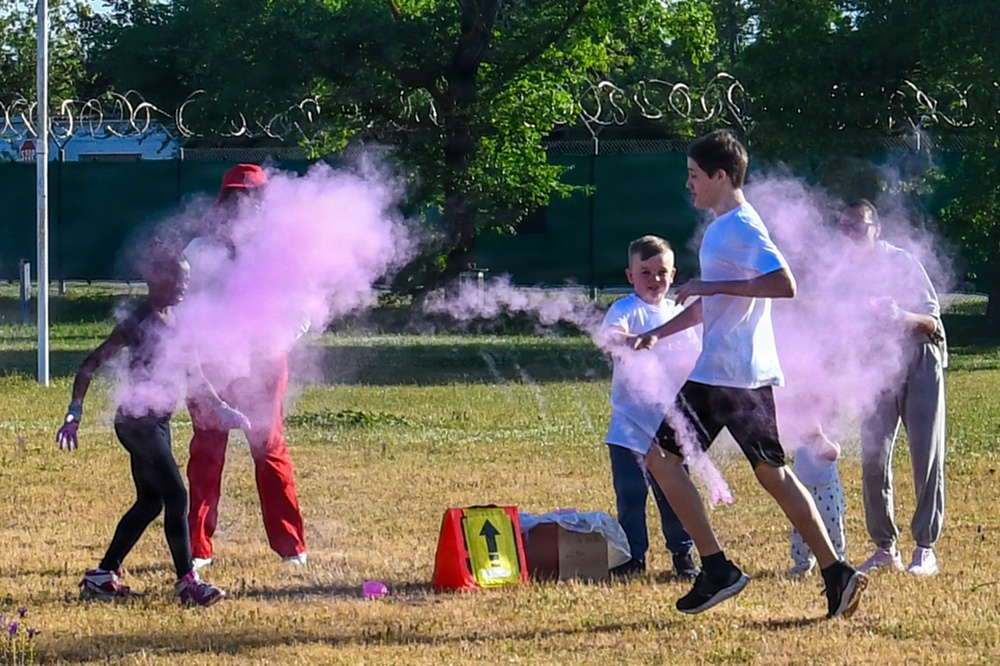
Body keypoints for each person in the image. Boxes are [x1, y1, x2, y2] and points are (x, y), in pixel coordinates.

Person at [633, 129, 867, 618]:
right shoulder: (726, 226)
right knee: (773, 474)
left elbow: (784, 283)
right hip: (740, 373)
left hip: (724, 373)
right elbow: (718, 304)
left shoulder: (739, 225)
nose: (689, 184)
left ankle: (717, 568)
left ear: (720, 176)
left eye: (695, 175)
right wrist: (660, 332)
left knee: (661, 458)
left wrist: (711, 285)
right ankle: (837, 573)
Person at [56, 253, 249, 606]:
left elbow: (194, 373)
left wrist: (222, 407)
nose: (185, 284)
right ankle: (187, 582)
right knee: (176, 496)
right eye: (178, 277)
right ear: (156, 279)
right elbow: (90, 364)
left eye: (186, 278)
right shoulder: (138, 321)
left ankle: (102, 576)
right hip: (136, 422)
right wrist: (74, 412)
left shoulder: (178, 321)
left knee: (150, 502)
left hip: (158, 422)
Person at [183, 164, 308, 568]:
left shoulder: (281, 252)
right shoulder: (200, 251)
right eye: (236, 196)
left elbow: (302, 309)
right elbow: (181, 303)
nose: (243, 205)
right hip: (212, 360)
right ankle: (197, 548)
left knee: (268, 448)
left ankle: (291, 547)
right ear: (223, 201)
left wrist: (272, 342)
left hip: (265, 361)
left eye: (251, 197)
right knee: (206, 451)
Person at [837, 200, 947, 576]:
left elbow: (932, 321)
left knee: (925, 455)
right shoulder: (844, 275)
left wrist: (900, 315)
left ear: (877, 229)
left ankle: (925, 548)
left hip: (919, 359)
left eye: (859, 227)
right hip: (875, 367)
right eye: (845, 228)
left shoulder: (901, 262)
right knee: (873, 458)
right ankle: (885, 548)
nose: (852, 236)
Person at [600, 235, 701, 581]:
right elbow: (610, 338)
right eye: (645, 272)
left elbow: (698, 356)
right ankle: (632, 557)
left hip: (671, 428)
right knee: (631, 495)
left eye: (662, 272)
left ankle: (684, 555)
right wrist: (632, 341)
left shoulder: (680, 314)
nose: (654, 279)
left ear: (673, 275)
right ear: (630, 276)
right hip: (628, 427)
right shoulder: (625, 309)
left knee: (675, 496)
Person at [787, 426, 846, 577]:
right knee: (801, 528)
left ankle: (838, 562)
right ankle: (802, 565)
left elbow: (833, 453)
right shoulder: (799, 428)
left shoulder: (828, 429)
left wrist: (820, 437)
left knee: (832, 528)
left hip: (826, 489)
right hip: (802, 488)